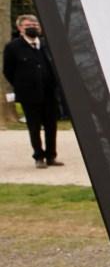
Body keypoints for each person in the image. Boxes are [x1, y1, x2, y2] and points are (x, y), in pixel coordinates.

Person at [4, 14, 62, 168]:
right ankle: (39, 157)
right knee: (34, 126)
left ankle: (51, 156)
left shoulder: (46, 45)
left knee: (51, 125)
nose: (33, 27)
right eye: (28, 25)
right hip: (29, 96)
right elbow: (8, 71)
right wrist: (22, 85)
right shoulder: (13, 47)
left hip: (49, 93)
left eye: (35, 24)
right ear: (20, 28)